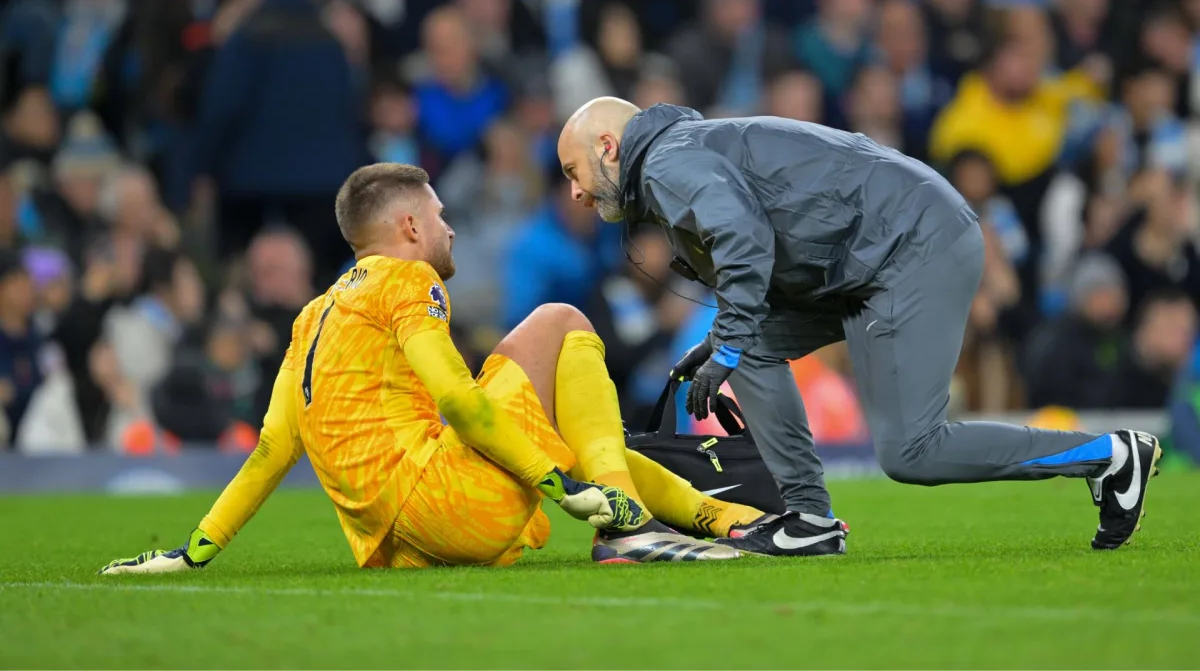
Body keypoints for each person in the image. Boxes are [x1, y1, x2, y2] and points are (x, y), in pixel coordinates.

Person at [555, 97, 1163, 557]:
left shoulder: (666, 161)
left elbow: (744, 240)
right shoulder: (683, 150)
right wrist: (724, 342)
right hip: (871, 253)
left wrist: (731, 340)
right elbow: (780, 233)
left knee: (911, 450)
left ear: (609, 146)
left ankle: (1110, 454)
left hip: (909, 247)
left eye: (573, 169)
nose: (576, 191)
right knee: (756, 347)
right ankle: (809, 520)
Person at [99, 164, 768, 574]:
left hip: (402, 543)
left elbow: (273, 447)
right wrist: (562, 486)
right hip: (447, 500)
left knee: (589, 442)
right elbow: (459, 401)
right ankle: (631, 531)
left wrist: (194, 551)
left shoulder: (314, 317)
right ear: (411, 227)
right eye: (442, 216)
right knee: (561, 320)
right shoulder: (407, 281)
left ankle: (719, 517)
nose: (451, 229)